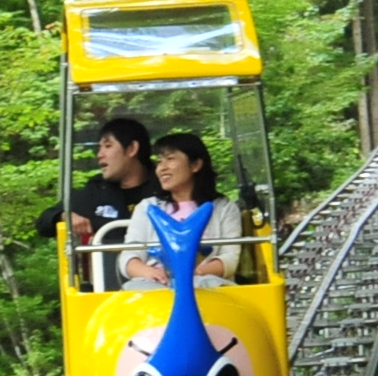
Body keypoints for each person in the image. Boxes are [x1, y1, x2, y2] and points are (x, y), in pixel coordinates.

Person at [123, 131, 242, 289]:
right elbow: (130, 256)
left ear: (195, 165)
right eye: (159, 161)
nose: (162, 168)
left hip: (203, 280)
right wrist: (149, 273)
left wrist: (195, 273)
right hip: (156, 282)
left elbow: (230, 258)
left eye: (170, 159)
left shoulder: (223, 208)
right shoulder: (148, 207)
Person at [38, 114, 155, 243]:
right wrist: (65, 216)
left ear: (132, 149)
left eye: (108, 146)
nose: (99, 155)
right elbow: (44, 222)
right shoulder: (96, 190)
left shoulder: (164, 188)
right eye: (99, 148)